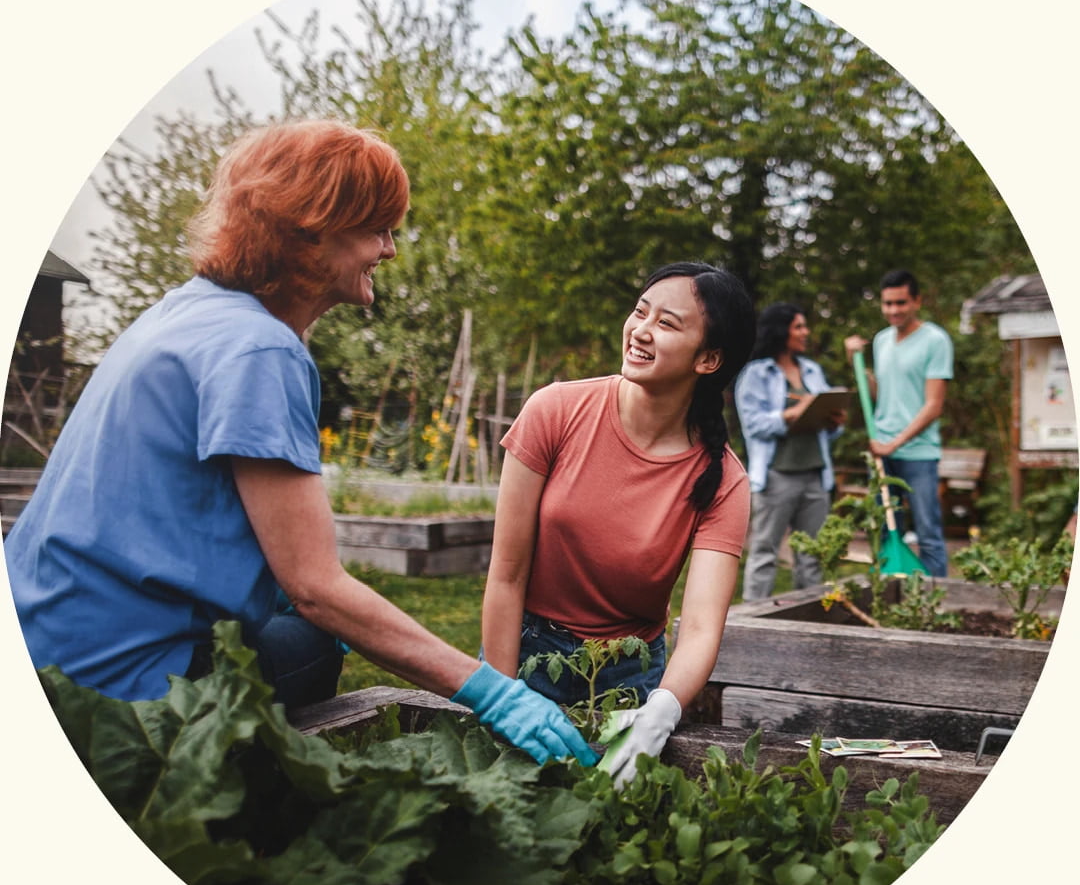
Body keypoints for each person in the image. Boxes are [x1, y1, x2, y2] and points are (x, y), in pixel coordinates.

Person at [5, 119, 594, 769]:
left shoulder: (183, 312)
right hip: (122, 691)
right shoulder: (260, 349)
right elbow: (315, 586)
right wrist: (491, 691)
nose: (390, 250)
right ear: (314, 229)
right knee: (315, 635)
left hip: (40, 643)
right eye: (377, 229)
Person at [481, 261, 756, 786]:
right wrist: (501, 693)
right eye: (640, 311)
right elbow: (506, 573)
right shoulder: (555, 410)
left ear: (709, 358)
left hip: (628, 679)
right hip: (523, 651)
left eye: (667, 324)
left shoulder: (724, 482)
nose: (641, 330)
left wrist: (662, 712)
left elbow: (699, 627)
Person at [844, 268, 954, 577]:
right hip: (882, 451)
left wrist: (895, 442)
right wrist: (855, 363)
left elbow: (933, 406)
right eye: (888, 304)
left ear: (917, 301)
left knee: (928, 532)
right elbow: (880, 394)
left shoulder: (935, 340)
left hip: (918, 452)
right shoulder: (881, 340)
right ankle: (891, 597)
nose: (893, 310)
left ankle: (935, 604)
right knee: (884, 528)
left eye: (901, 303)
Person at [734, 303, 847, 600]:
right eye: (799, 326)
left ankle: (808, 619)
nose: (805, 332)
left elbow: (826, 420)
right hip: (776, 478)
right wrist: (792, 414)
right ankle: (753, 619)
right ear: (781, 331)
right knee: (765, 551)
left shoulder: (811, 370)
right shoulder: (756, 374)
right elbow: (754, 424)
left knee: (812, 555)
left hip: (815, 476)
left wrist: (834, 420)